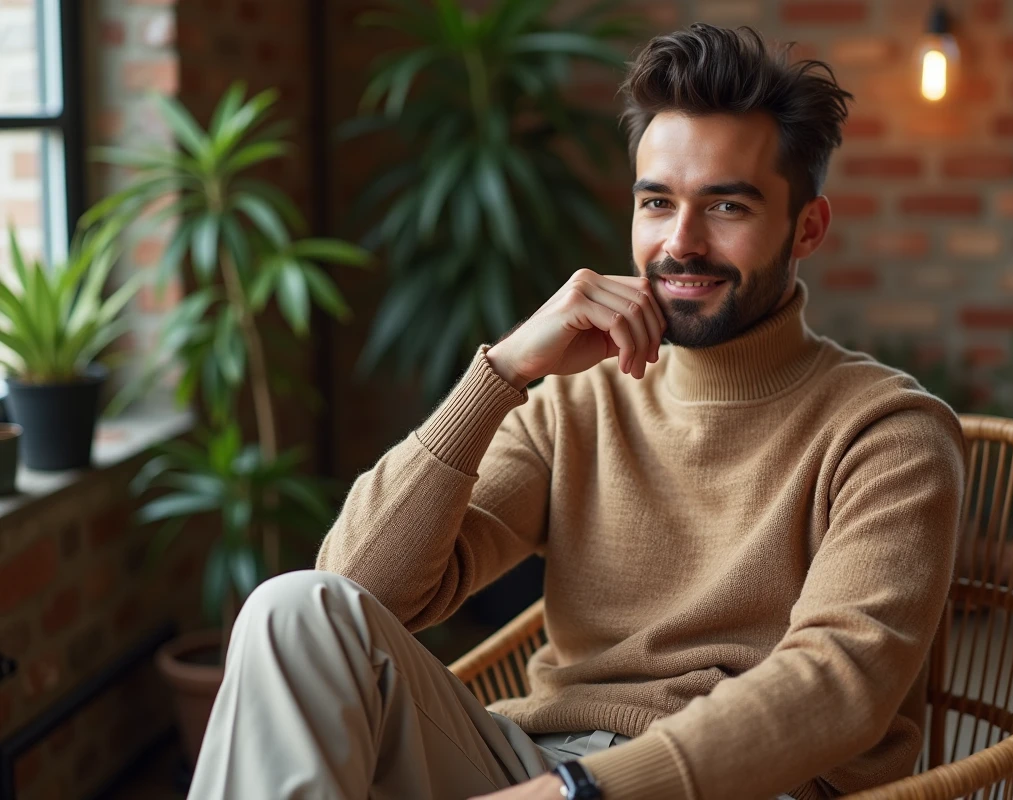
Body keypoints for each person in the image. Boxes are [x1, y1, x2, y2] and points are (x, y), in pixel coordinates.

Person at [188, 23, 965, 800]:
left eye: (727, 205)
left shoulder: (889, 432)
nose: (680, 243)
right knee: (291, 609)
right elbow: (362, 590)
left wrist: (582, 794)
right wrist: (503, 372)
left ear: (807, 229)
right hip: (536, 762)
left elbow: (839, 686)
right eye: (656, 202)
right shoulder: (576, 401)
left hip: (738, 784)